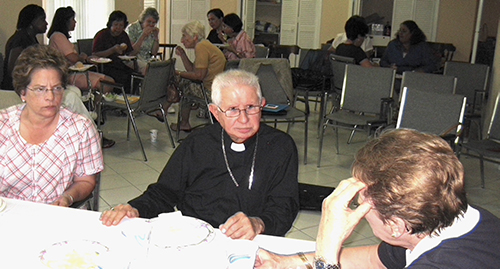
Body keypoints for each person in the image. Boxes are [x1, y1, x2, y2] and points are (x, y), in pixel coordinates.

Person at [255, 129, 500, 269]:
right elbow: (374, 259)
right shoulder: (445, 217)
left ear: (395, 226)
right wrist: (285, 263)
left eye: (361, 202)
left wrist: (326, 254)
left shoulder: (439, 264)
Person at [100, 70, 300, 240]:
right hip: (195, 239)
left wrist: (258, 224)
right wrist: (134, 208)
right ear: (215, 112)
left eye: (251, 107)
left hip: (251, 240)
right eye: (232, 110)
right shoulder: (197, 143)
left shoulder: (280, 147)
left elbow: (284, 207)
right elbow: (164, 193)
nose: (243, 119)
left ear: (262, 105)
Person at [0, 44, 104, 207]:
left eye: (57, 88)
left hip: (56, 214)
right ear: (23, 92)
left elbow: (86, 180)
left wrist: (68, 197)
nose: (50, 96)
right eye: (40, 89)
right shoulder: (3, 126)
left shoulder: (80, 128)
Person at [169, 20, 226, 132]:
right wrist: (183, 55)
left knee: (180, 82)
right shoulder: (205, 45)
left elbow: (198, 76)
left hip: (209, 92)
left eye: (185, 36)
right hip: (216, 89)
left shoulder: (201, 47)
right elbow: (192, 71)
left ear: (195, 37)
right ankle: (178, 114)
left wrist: (177, 73)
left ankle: (169, 104)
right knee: (184, 84)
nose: (182, 40)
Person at [48, 6, 115, 93]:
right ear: (66, 21)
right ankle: (97, 105)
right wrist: (82, 57)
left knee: (110, 81)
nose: (75, 22)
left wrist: (87, 58)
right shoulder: (58, 36)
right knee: (108, 83)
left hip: (73, 73)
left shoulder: (60, 36)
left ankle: (96, 105)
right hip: (67, 75)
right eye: (73, 19)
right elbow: (73, 58)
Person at [2, 4, 47, 90]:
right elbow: (13, 70)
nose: (46, 23)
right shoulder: (20, 39)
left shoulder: (30, 38)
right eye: (42, 19)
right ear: (32, 21)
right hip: (16, 89)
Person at [93, 10, 139, 93]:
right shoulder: (102, 35)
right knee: (122, 77)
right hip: (105, 66)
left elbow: (129, 52)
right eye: (116, 25)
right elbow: (95, 54)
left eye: (121, 25)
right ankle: (119, 99)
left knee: (134, 76)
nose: (118, 28)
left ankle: (128, 98)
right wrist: (112, 50)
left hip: (120, 64)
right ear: (110, 24)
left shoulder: (124, 35)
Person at [126, 7, 160, 75]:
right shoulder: (132, 28)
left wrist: (156, 38)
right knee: (149, 69)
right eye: (149, 21)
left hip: (147, 59)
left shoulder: (152, 31)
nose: (151, 25)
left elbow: (154, 53)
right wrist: (143, 35)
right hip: (134, 60)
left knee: (164, 67)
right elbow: (132, 52)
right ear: (143, 20)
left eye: (153, 23)